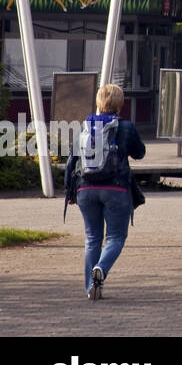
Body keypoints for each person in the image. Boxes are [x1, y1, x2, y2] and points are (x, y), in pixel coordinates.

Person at [68, 83, 146, 300]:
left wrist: (70, 192)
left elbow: (71, 161)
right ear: (120, 103)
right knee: (115, 238)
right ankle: (100, 269)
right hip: (116, 189)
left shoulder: (85, 127)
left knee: (92, 238)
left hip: (86, 189)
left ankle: (89, 289)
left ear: (98, 102)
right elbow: (140, 153)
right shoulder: (126, 127)